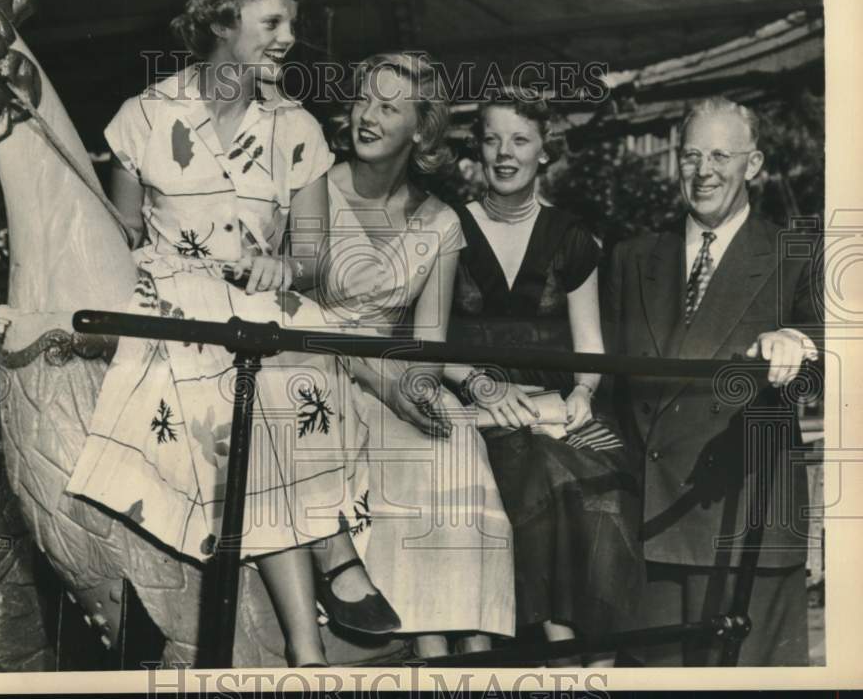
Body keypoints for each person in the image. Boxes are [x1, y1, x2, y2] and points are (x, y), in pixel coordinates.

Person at [65, 0, 399, 667]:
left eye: (293, 22)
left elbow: (309, 256)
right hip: (172, 306)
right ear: (223, 19)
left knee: (281, 371)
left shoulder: (299, 129)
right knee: (245, 392)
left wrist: (285, 260)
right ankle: (332, 563)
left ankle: (308, 642)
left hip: (256, 303)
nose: (288, 36)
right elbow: (117, 238)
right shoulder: (144, 117)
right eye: (273, 19)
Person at [604, 96, 822, 666]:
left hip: (745, 523)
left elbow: (833, 353)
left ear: (754, 165)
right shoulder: (630, 258)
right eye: (691, 155)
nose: (704, 172)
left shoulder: (795, 253)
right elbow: (603, 387)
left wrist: (798, 342)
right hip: (646, 529)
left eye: (721, 155)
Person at [318, 52, 515, 659]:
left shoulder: (442, 223)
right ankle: (428, 651)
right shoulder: (310, 193)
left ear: (421, 129)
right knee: (405, 460)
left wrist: (421, 392)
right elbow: (295, 317)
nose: (368, 117)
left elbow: (428, 345)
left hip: (399, 378)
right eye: (363, 101)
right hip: (320, 371)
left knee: (453, 442)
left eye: (389, 107)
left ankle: (477, 654)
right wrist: (387, 386)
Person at [445, 91, 644, 666]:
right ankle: (562, 657)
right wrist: (485, 387)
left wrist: (583, 392)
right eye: (492, 139)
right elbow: (429, 343)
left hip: (560, 405)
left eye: (520, 140)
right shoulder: (446, 230)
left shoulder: (573, 236)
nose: (505, 154)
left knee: (607, 480)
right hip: (482, 411)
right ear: (476, 149)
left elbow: (590, 349)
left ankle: (601, 661)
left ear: (543, 153)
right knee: (542, 475)